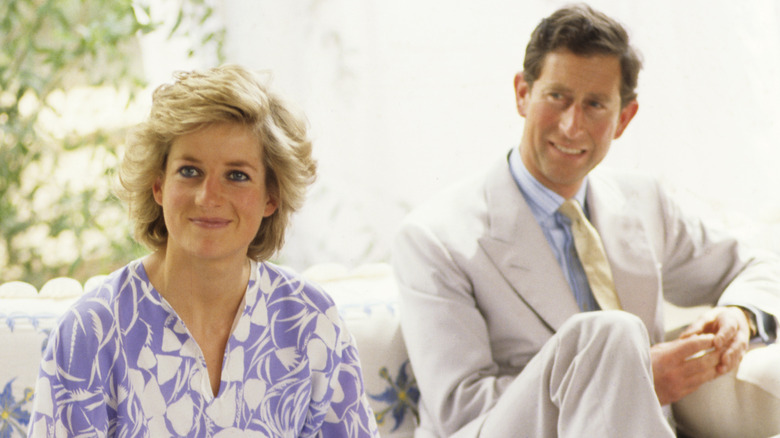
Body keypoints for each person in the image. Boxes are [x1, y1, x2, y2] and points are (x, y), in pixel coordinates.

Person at [393, 4, 780, 437]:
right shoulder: (434, 238)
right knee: (610, 336)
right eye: (557, 96)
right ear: (523, 93)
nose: (572, 125)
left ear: (624, 119)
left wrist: (741, 315)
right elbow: (462, 413)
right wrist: (627, 380)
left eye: (595, 104)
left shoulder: (645, 202)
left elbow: (759, 266)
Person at [27, 65, 379, 437]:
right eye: (190, 171)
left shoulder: (312, 322)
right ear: (158, 185)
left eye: (237, 175)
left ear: (271, 197)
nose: (209, 197)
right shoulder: (92, 330)